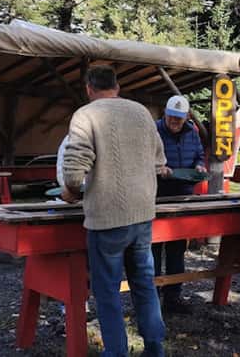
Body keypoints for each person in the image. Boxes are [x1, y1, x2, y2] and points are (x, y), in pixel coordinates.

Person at [61, 65, 166, 357]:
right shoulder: (142, 113)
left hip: (106, 218)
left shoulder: (85, 115)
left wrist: (69, 191)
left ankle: (117, 352)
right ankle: (155, 348)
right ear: (117, 87)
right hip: (143, 214)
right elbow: (159, 159)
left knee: (107, 292)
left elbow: (73, 170)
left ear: (88, 88)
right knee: (144, 284)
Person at [153, 95, 206, 314]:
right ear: (165, 113)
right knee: (153, 250)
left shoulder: (192, 133)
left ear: (186, 117)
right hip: (156, 196)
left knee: (176, 250)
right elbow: (142, 159)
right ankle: (152, 300)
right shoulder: (152, 131)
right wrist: (158, 168)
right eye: (172, 117)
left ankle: (173, 298)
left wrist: (200, 166)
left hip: (183, 197)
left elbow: (199, 156)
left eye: (179, 119)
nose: (175, 122)